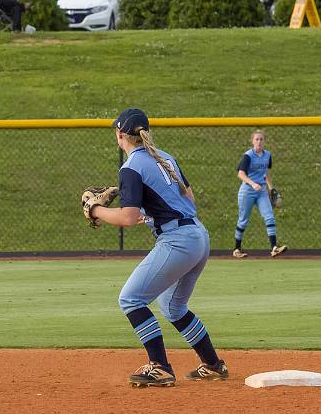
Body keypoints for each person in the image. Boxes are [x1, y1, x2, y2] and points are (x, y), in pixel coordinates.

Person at [88, 108, 228, 388]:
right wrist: (153, 213)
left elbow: (127, 218)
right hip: (198, 235)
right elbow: (188, 196)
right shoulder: (165, 157)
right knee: (172, 307)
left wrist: (96, 210)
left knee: (130, 299)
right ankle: (213, 364)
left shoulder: (130, 168)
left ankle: (160, 367)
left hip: (178, 241)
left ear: (119, 134)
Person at [233, 129, 288, 258]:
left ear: (264, 142)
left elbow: (266, 173)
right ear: (252, 141)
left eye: (261, 139)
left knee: (269, 216)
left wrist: (270, 188)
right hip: (247, 190)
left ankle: (274, 247)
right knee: (243, 220)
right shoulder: (248, 156)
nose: (259, 142)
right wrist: (252, 183)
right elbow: (240, 174)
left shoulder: (267, 155)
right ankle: (237, 249)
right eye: (256, 139)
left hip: (261, 191)